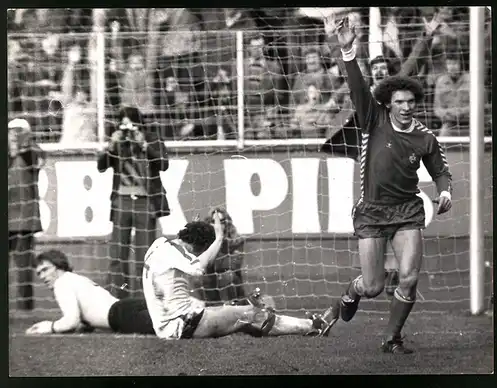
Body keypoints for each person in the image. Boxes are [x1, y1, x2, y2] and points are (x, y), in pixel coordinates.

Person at [331, 16, 452, 354]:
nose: (405, 107)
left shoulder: (424, 137)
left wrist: (445, 191)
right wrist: (348, 50)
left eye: (410, 101)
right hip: (371, 211)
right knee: (372, 286)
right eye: (399, 102)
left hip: (407, 212)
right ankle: (352, 291)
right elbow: (356, 85)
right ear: (388, 103)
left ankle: (392, 337)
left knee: (409, 277)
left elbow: (441, 171)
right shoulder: (373, 118)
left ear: (416, 103)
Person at [142, 214, 339, 340]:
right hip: (181, 325)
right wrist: (218, 238)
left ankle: (261, 321)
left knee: (239, 315)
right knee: (252, 314)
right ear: (198, 246)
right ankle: (314, 326)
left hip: (167, 325)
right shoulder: (180, 254)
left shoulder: (159, 244)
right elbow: (198, 268)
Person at [97, 106, 170, 298]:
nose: (128, 129)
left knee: (144, 254)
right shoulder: (118, 140)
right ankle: (117, 298)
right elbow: (101, 167)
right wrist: (111, 146)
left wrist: (145, 145)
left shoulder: (152, 137)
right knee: (117, 254)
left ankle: (144, 299)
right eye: (123, 124)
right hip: (121, 200)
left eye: (131, 123)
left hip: (145, 201)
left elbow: (164, 164)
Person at [25, 250, 155, 335]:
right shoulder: (74, 278)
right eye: (39, 273)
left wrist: (50, 327)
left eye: (45, 269)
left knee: (170, 327)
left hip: (122, 316)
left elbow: (71, 322)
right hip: (126, 309)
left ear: (58, 265)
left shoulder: (61, 283)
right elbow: (89, 313)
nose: (42, 276)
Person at [8, 118, 45, 311]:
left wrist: (22, 148)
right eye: (11, 131)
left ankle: (25, 308)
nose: (14, 135)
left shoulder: (32, 152)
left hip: (23, 218)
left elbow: (38, 159)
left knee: (23, 267)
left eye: (18, 131)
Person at [198, 208, 246, 305]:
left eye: (221, 221)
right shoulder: (204, 241)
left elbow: (233, 265)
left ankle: (232, 308)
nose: (217, 225)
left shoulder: (237, 240)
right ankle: (208, 309)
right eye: (213, 221)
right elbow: (198, 264)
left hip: (230, 285)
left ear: (227, 223)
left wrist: (218, 241)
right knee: (201, 278)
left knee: (227, 276)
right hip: (210, 283)